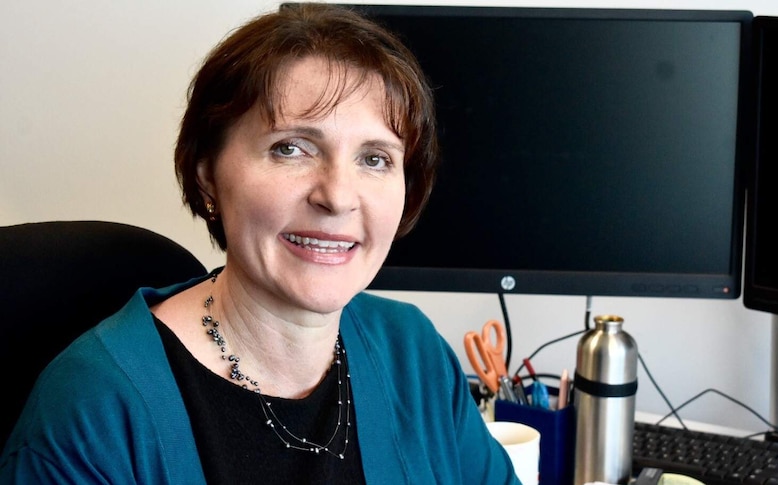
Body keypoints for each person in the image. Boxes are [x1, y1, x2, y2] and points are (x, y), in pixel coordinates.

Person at [0, 3, 519, 484]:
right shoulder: (92, 414)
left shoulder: (413, 353)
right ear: (208, 178)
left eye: (375, 158)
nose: (338, 197)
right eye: (290, 148)